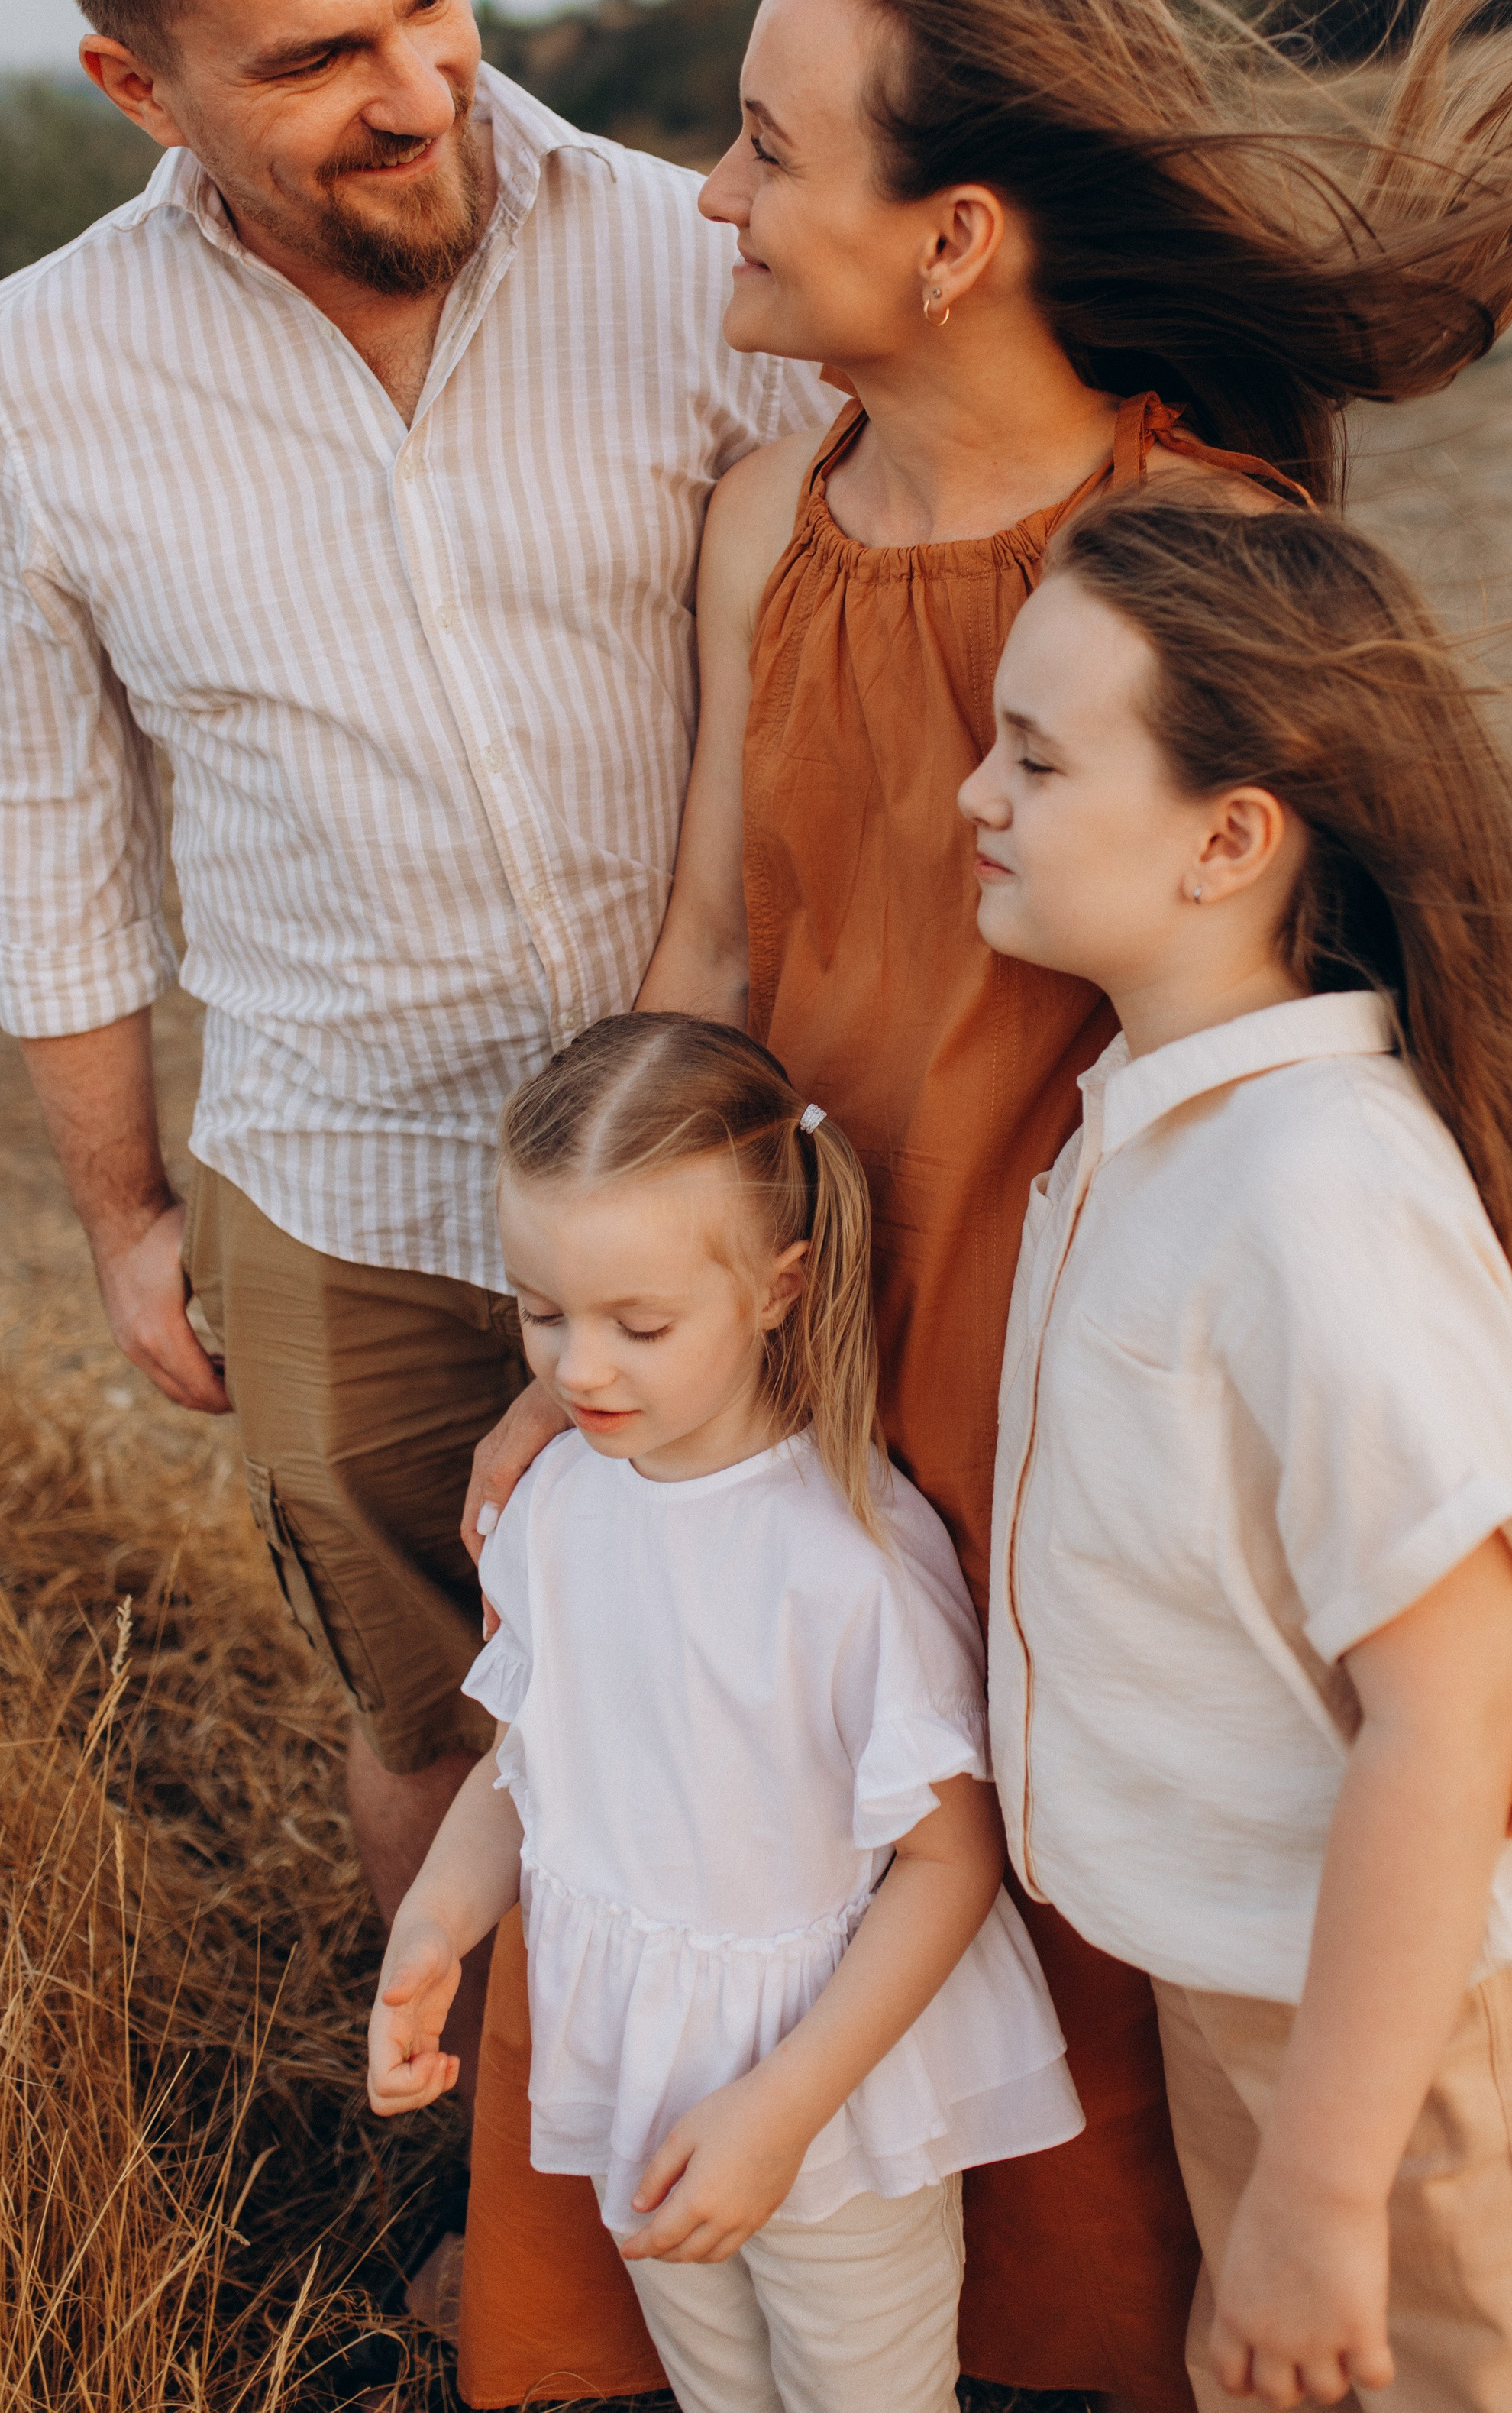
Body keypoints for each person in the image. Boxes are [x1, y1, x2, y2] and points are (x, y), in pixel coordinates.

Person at [464, 0, 1512, 2407]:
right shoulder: (772, 523)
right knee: (777, 1847)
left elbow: (1447, 1051)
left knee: (1096, 1896)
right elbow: (711, 960)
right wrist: (585, 1357)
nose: (709, 193)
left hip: (1088, 1347)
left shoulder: (1190, 543)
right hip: (795, 1361)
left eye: (766, 138)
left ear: (954, 234)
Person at [0, 0, 834, 2250]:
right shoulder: (36, 378)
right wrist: (127, 1220)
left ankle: (812, 2170)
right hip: (344, 1188)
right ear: (136, 78)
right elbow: (49, 826)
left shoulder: (691, 260)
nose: (420, 84)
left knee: (781, 1691)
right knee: (435, 1719)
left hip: (752, 1149)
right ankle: (507, 2217)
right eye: (314, 55)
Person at [971, 488, 1512, 2411]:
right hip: (1271, 2004)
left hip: (1432, 2052)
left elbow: (1444, 1719)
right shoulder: (1158, 1110)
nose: (972, 795)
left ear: (1228, 838)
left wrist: (1316, 2188)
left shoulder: (1308, 1193)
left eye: (1034, 758)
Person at [368, 1013, 1082, 2413]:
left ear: (777, 1286)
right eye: (542, 1313)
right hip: (630, 2053)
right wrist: (437, 1923)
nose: (579, 1371)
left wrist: (782, 2110)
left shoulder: (846, 1562)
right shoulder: (561, 1504)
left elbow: (950, 1862)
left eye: (639, 1324)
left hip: (814, 2095)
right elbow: (528, 1770)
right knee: (714, 2389)